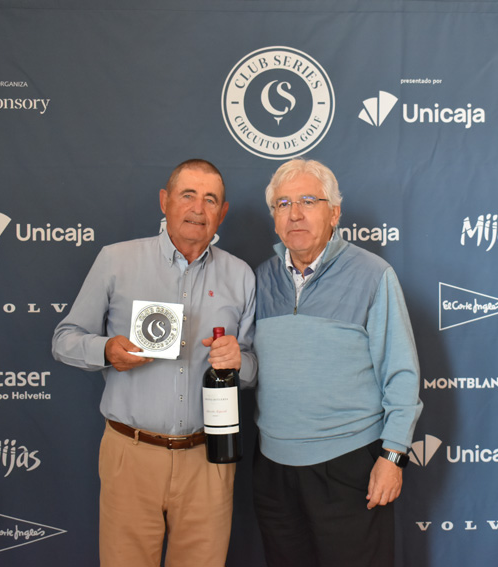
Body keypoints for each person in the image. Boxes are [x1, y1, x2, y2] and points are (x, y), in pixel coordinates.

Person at [51, 159, 256, 567]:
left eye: (210, 199)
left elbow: (250, 367)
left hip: (208, 459)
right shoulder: (116, 260)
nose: (198, 208)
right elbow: (64, 340)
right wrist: (106, 351)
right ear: (165, 201)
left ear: (222, 212)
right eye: (187, 195)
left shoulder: (241, 276)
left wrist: (240, 363)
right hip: (131, 453)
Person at [253, 158, 423, 567]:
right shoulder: (260, 279)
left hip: (350, 469)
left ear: (334, 213)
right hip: (274, 470)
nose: (295, 214)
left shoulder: (373, 274)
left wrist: (393, 457)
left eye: (308, 201)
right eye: (283, 204)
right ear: (273, 217)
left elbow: (401, 373)